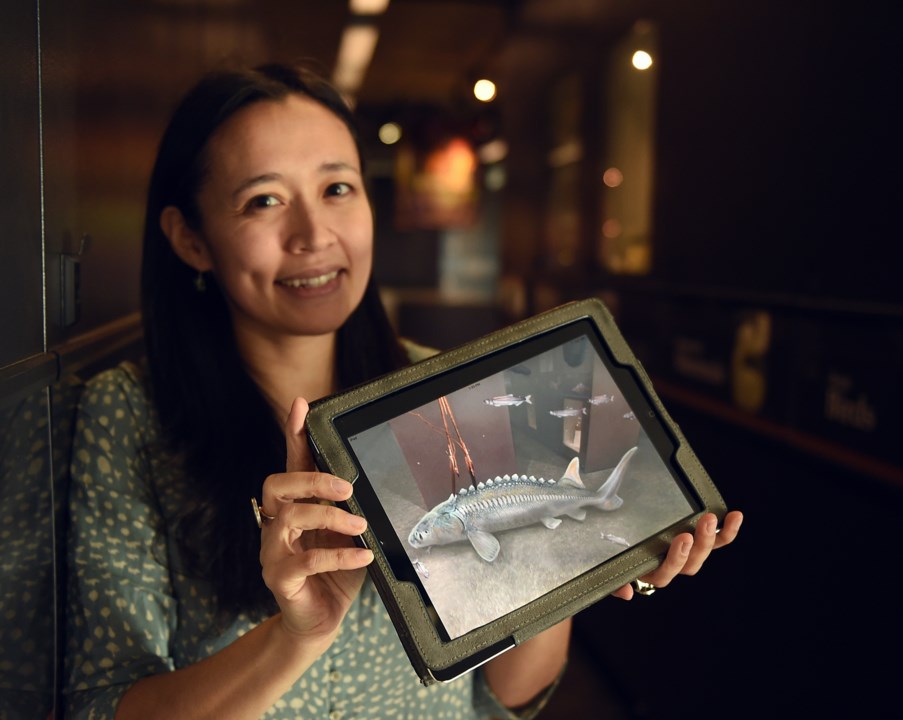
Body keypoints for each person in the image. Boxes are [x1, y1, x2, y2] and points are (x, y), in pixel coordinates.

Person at [63, 63, 743, 719]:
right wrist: (296, 635)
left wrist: (568, 565)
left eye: (337, 189)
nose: (313, 235)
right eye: (263, 200)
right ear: (191, 239)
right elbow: (102, 707)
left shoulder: (450, 393)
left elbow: (500, 698)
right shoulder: (127, 416)